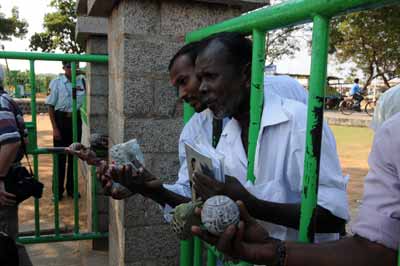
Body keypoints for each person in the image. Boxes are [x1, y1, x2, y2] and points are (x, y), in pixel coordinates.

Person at [192, 111, 400, 266]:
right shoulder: (393, 135)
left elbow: (335, 217)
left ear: (246, 73)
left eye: (210, 76)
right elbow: (377, 249)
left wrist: (254, 205)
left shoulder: (300, 121)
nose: (200, 87)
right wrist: (276, 250)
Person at [46, 61, 86, 200]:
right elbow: (50, 106)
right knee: (60, 157)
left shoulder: (82, 81)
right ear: (63, 68)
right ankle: (57, 191)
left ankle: (71, 189)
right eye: (69, 66)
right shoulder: (56, 82)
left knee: (74, 155)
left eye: (75, 66)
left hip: (76, 119)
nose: (72, 69)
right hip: (60, 120)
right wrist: (55, 128)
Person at [0, 66, 26, 265]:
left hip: (4, 179)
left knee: (5, 242)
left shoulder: (1, 102)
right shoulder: (7, 99)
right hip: (7, 176)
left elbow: (11, 141)